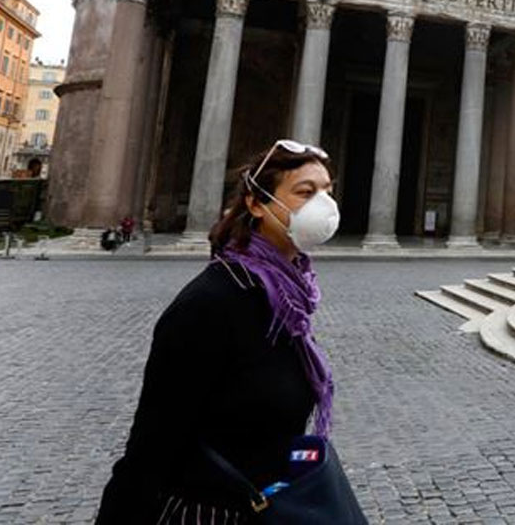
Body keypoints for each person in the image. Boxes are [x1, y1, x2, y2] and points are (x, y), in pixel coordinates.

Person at [97, 139, 343, 524]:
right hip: (211, 512)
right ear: (257, 203)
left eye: (328, 191)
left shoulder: (288, 301)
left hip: (266, 508)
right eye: (305, 192)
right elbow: (151, 446)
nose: (324, 205)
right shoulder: (212, 303)